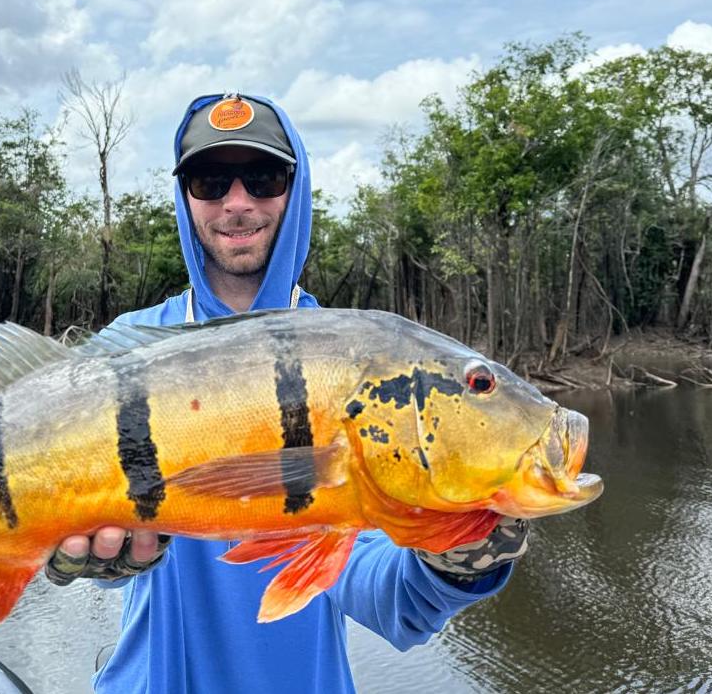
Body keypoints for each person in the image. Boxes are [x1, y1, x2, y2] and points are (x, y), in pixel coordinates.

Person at [44, 93, 529, 693]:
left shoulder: (357, 369)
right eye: (210, 180)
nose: (237, 202)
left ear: (294, 191)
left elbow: (391, 599)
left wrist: (462, 558)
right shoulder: (126, 350)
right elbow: (85, 531)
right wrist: (94, 558)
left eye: (264, 177)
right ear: (185, 196)